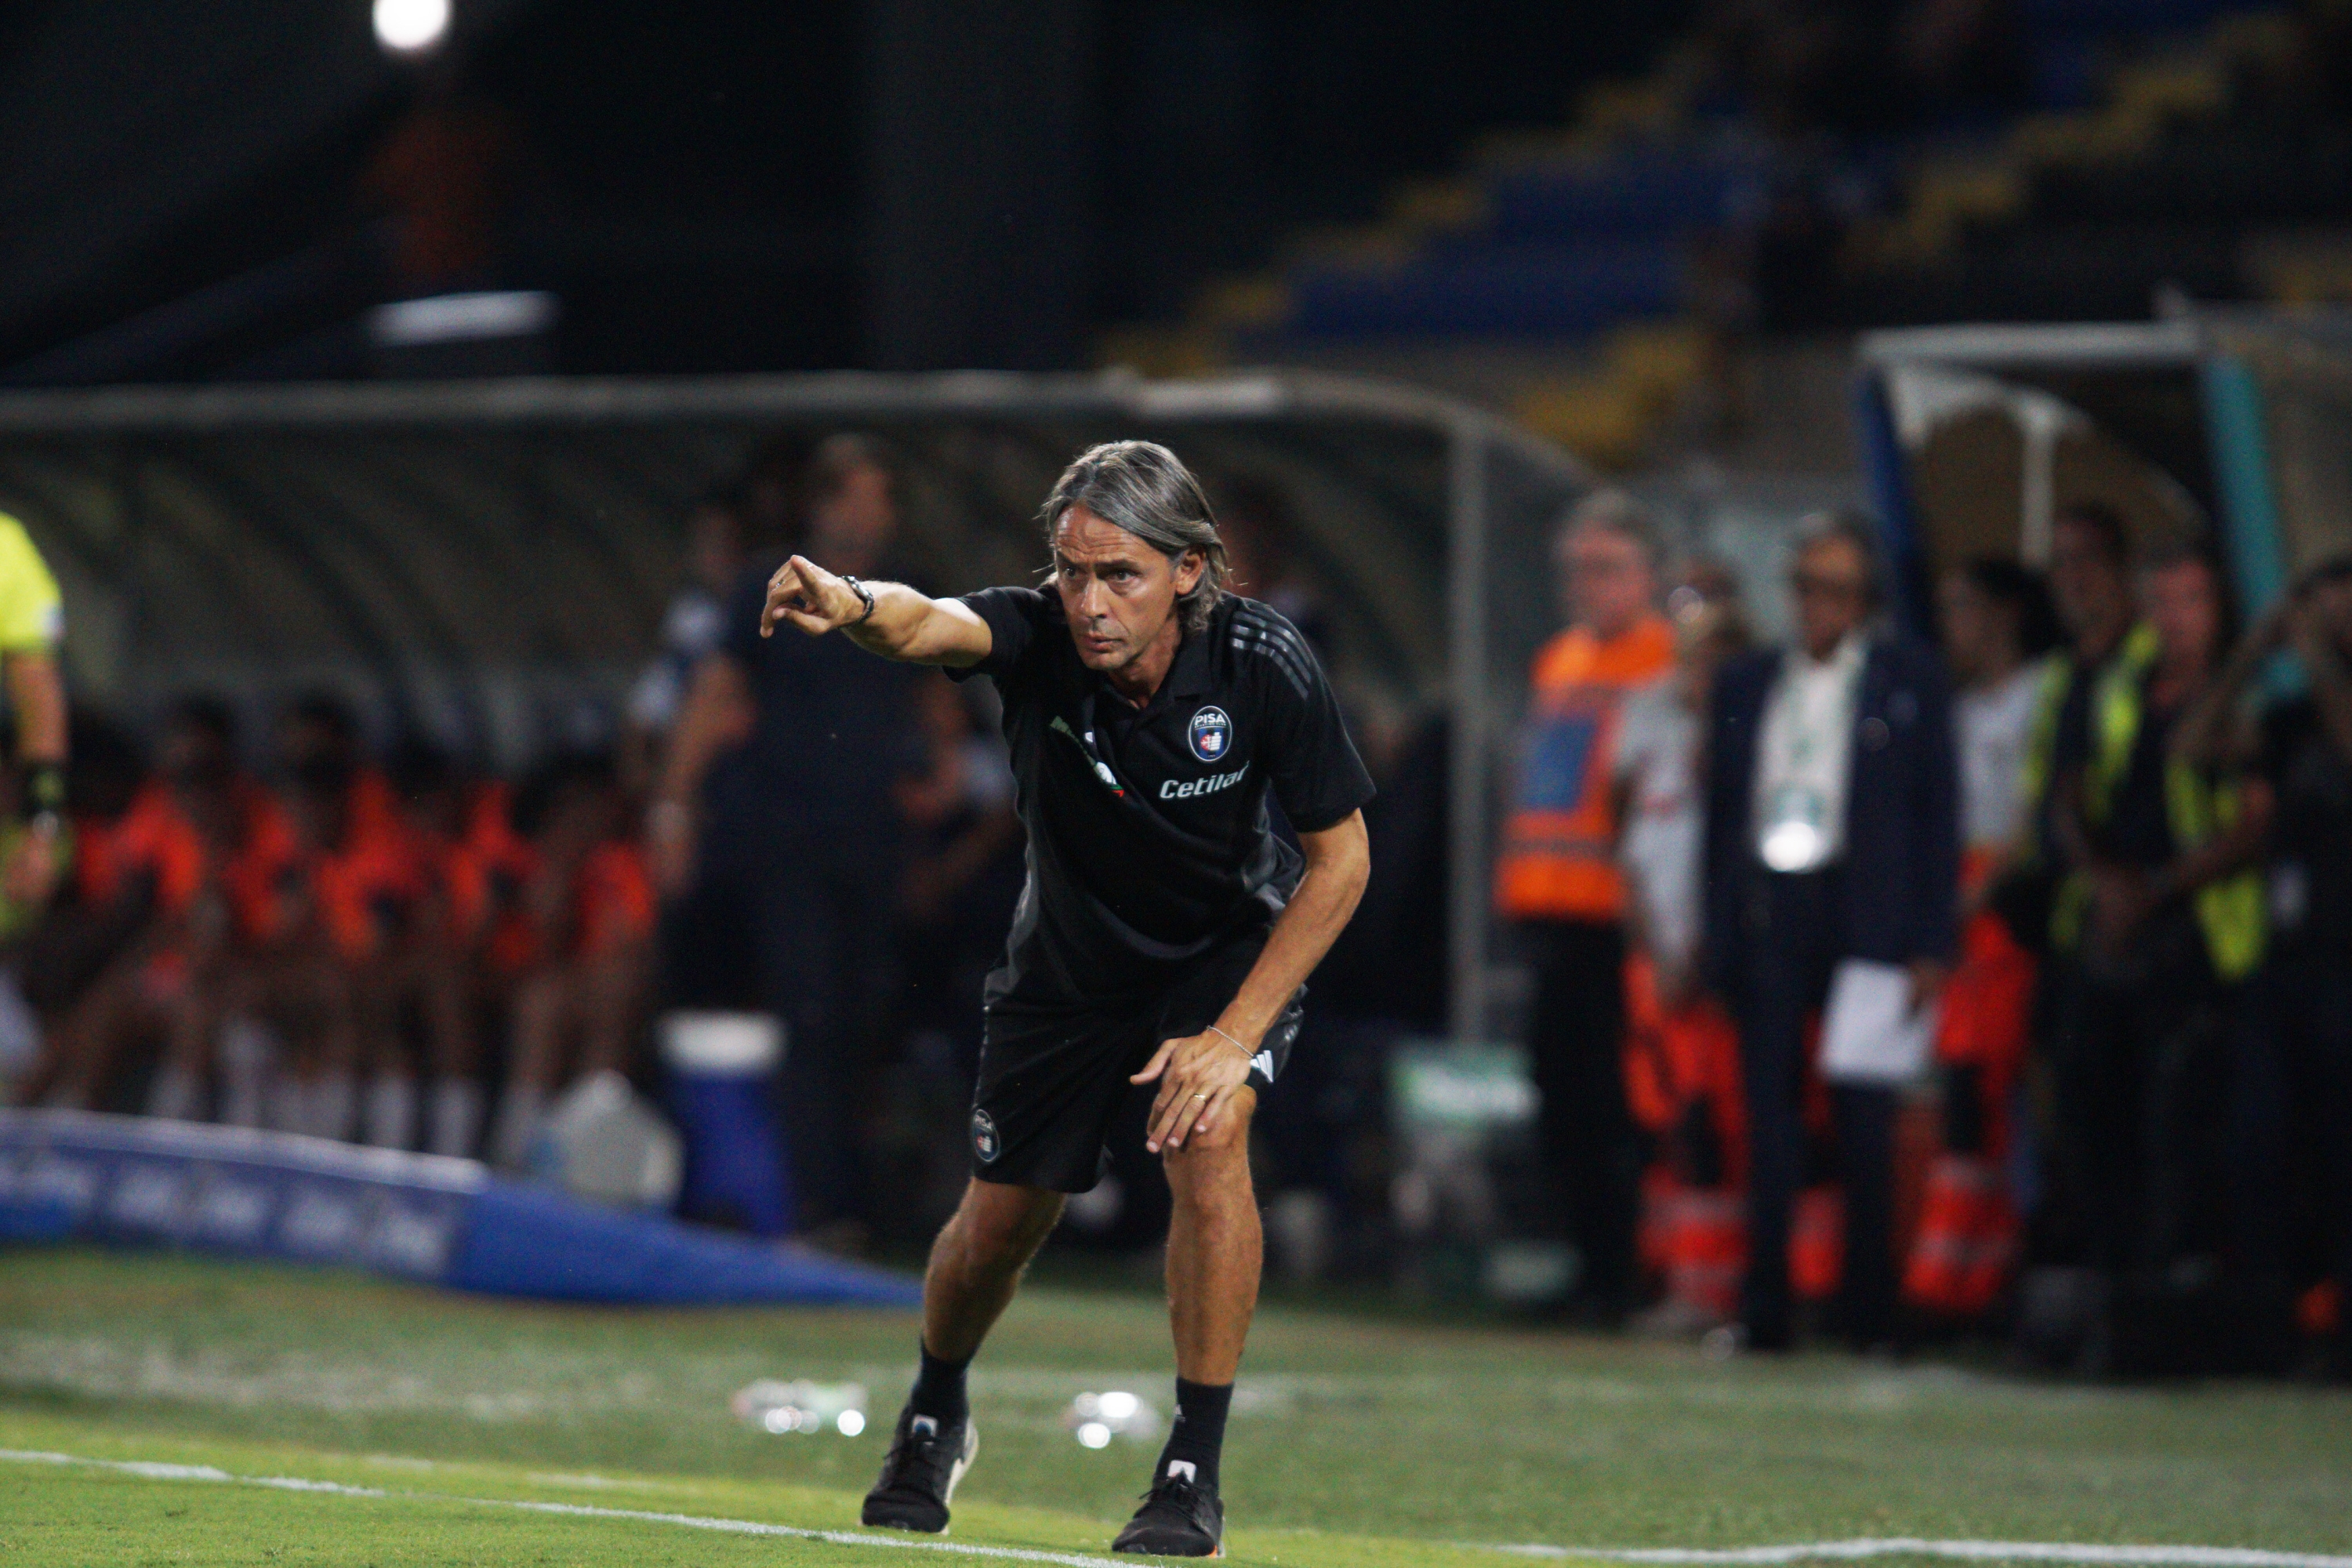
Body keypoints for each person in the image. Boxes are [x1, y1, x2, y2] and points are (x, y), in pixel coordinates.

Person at [757, 441, 1372, 1556]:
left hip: (1217, 958)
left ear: (1190, 571)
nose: (1089, 602)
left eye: (1120, 575)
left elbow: (1341, 862)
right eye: (1074, 570)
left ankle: (1191, 1471)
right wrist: (846, 599)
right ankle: (935, 1409)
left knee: (1210, 1132)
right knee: (999, 1223)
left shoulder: (1263, 659)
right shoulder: (1037, 633)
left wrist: (1232, 1036)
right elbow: (925, 621)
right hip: (1069, 971)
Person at [651, 433, 925, 1237]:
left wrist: (940, 761)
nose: (874, 515)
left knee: (868, 1012)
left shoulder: (908, 587)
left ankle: (860, 1191)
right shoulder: (768, 585)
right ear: (825, 501)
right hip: (790, 836)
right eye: (861, 496)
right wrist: (675, 807)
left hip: (873, 836)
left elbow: (937, 690)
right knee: (808, 1012)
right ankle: (816, 1199)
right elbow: (714, 694)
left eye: (885, 499)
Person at [1702, 513, 1958, 1352]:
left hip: (1867, 912)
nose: (1818, 605)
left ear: (1867, 600)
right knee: (1768, 1118)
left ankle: (1868, 1310)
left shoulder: (1907, 679)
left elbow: (1936, 815)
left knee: (1865, 1118)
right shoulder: (1748, 681)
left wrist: (1929, 940)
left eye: (1837, 590)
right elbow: (1720, 819)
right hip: (1775, 905)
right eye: (1807, 586)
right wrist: (1718, 932)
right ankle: (1767, 1304)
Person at [2045, 541, 2268, 1295]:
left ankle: (2170, 1273)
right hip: (2111, 922)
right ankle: (2109, 1263)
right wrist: (2106, 883)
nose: (2176, 619)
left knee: (2179, 1110)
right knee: (2086, 1092)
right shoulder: (2116, 688)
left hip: (2196, 932)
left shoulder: (2241, 696)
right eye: (2163, 601)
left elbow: (2249, 820)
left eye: (2192, 601)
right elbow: (2069, 791)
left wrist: (2158, 888)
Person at [1495, 490, 1677, 1321]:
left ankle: (1622, 1271)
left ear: (1648, 576)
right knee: (1562, 1097)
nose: (1586, 584)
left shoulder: (1662, 662)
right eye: (1576, 569)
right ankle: (1588, 1264)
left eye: (1606, 568)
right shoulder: (1560, 660)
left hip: (1617, 920)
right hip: (1550, 913)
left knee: (1614, 1104)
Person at [1904, 558, 2061, 1318]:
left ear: (2004, 612)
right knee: (1967, 1093)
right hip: (1961, 911)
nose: (1950, 625)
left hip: (2003, 913)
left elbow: (2034, 808)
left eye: (1961, 605)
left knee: (1988, 1092)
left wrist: (1981, 887)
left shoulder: (2040, 693)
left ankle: (1970, 1277)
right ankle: (1965, 1275)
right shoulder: (1961, 711)